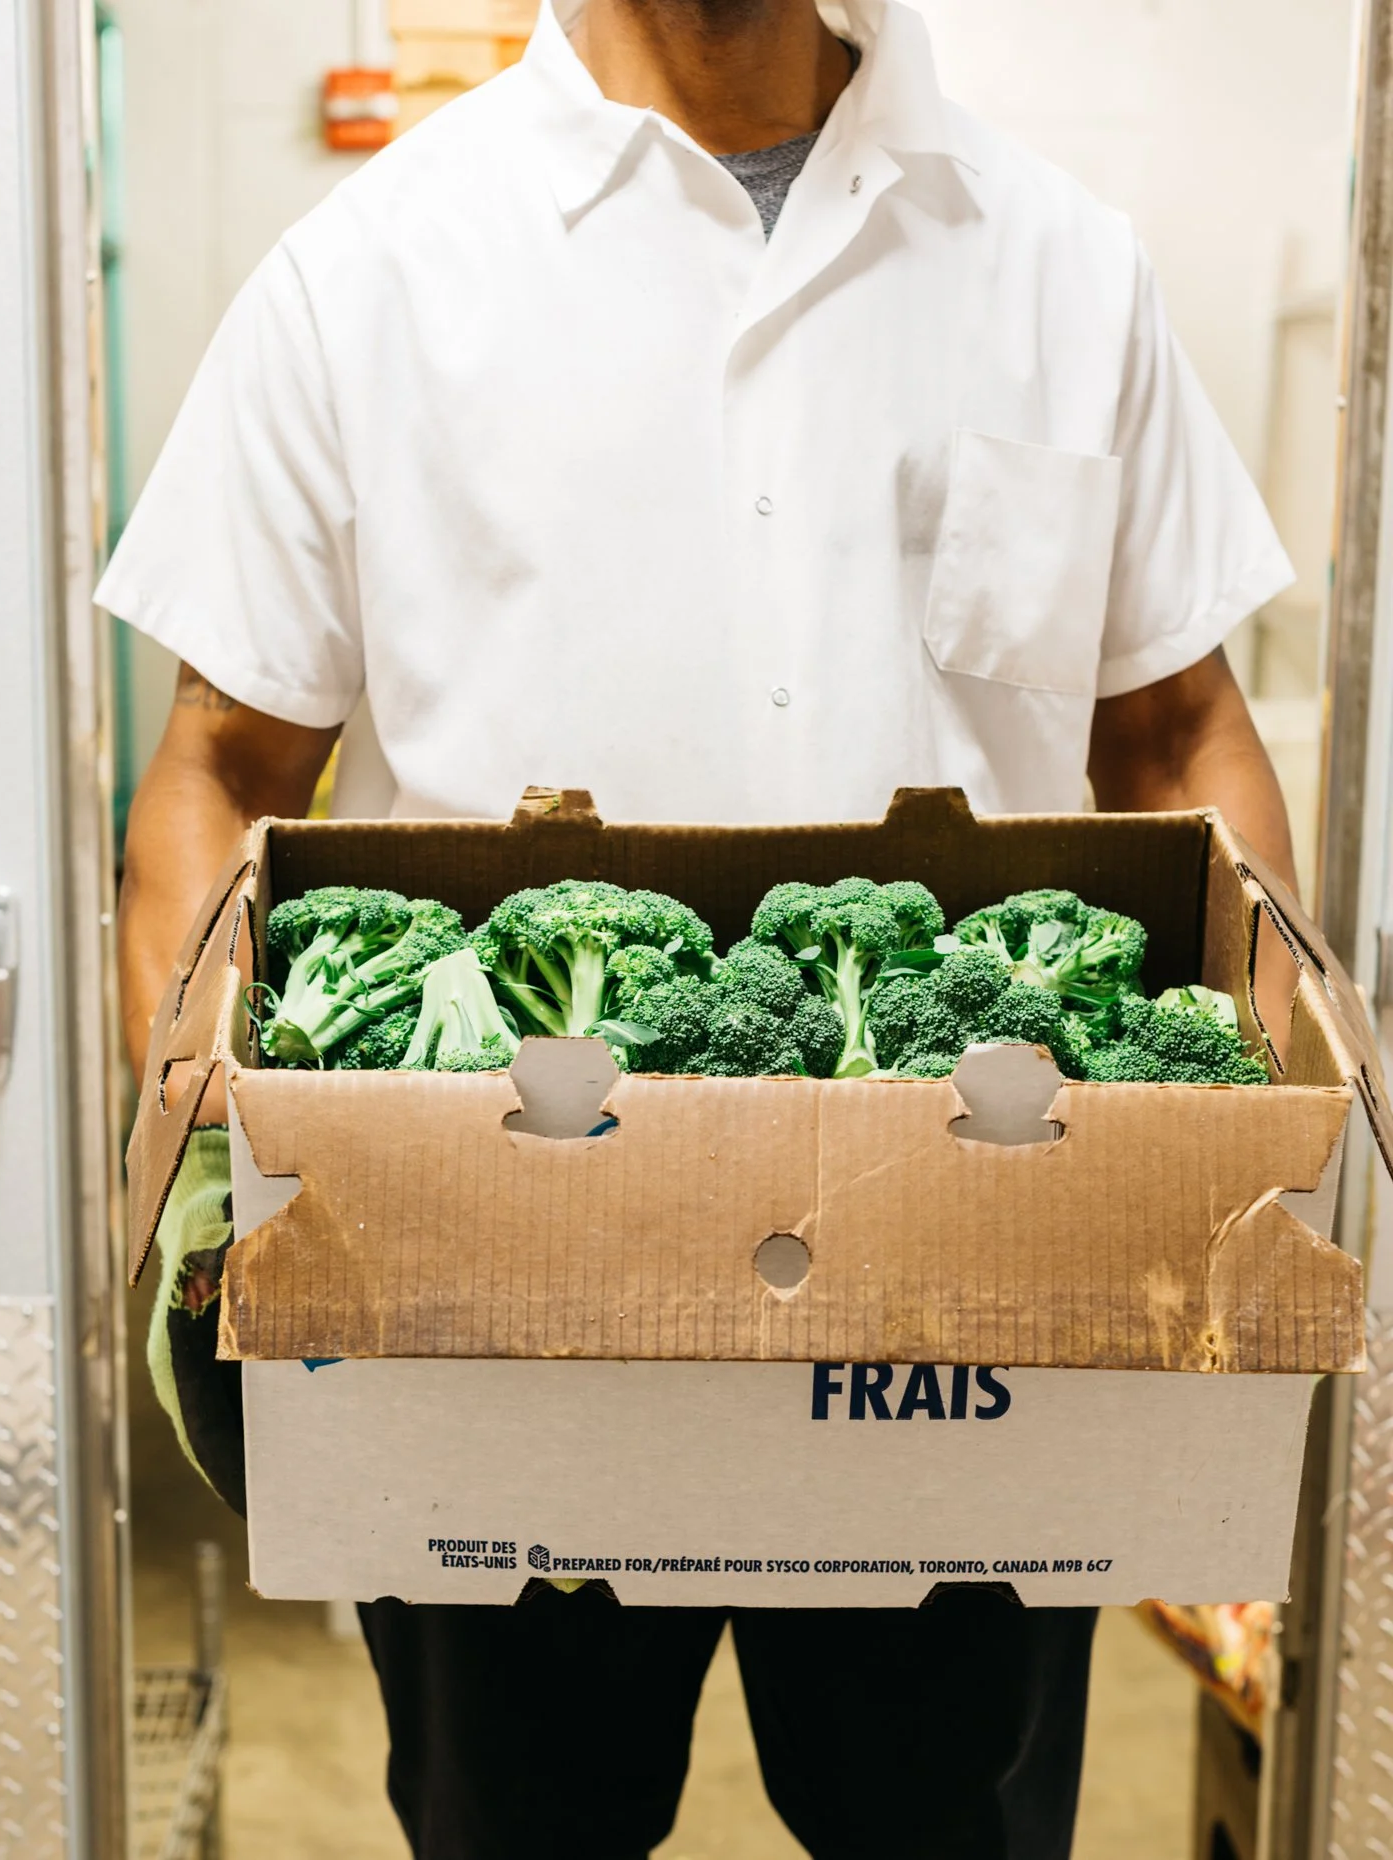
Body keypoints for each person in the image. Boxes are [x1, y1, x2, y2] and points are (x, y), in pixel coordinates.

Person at [101, 0, 1302, 1849]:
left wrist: (1246, 1112)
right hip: (495, 1297)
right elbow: (213, 766)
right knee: (523, 1826)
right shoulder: (372, 277)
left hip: (966, 1294)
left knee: (945, 1827)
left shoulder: (1061, 269)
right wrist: (210, 1146)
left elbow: (1179, 736)